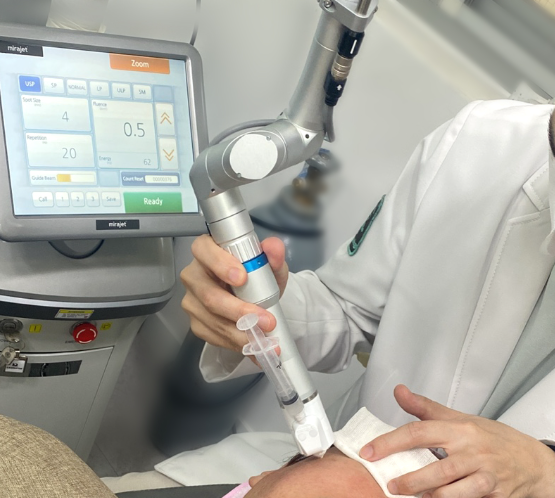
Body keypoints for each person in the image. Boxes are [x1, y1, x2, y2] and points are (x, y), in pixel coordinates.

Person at [181, 99, 555, 497]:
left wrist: (543, 470)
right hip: (338, 463)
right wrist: (255, 309)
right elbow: (347, 309)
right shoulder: (482, 143)